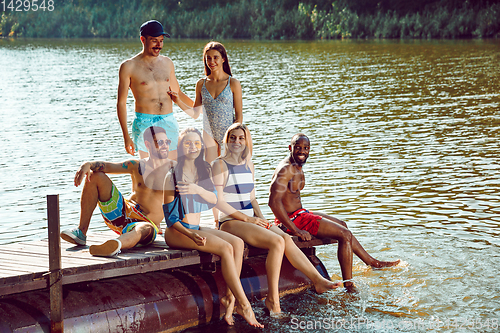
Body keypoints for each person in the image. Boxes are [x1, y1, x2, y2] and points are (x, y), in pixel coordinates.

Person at [212, 123, 341, 315]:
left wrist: (263, 220)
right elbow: (218, 201)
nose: (237, 142)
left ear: (246, 141)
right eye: (233, 138)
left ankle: (318, 280)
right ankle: (272, 300)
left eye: (241, 138)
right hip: (230, 222)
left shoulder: (248, 164)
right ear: (227, 141)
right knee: (276, 242)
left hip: (250, 219)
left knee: (285, 238)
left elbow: (252, 198)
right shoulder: (219, 164)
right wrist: (249, 220)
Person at [268, 133, 400, 292]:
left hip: (299, 213)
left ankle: (372, 263)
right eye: (298, 148)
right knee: (344, 234)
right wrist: (296, 230)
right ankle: (349, 286)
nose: (302, 151)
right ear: (290, 148)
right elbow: (273, 202)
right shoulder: (286, 169)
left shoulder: (296, 166)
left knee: (343, 226)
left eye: (306, 148)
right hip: (292, 219)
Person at [162, 127, 263, 328]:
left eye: (197, 143)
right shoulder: (171, 176)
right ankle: (244, 305)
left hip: (196, 227)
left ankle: (229, 299)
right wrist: (191, 234)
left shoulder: (203, 171)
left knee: (237, 243)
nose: (193, 147)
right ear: (181, 147)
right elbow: (171, 219)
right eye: (187, 143)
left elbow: (213, 200)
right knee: (226, 248)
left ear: (201, 146)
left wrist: (196, 189)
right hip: (177, 231)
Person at [60, 126, 175, 256]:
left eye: (167, 142)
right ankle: (81, 232)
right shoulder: (136, 165)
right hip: (122, 213)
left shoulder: (175, 170)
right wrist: (88, 164)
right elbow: (109, 166)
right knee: (95, 175)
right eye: (160, 142)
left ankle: (115, 245)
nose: (165, 145)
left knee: (144, 228)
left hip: (145, 223)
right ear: (147, 144)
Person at [117, 20, 196, 160]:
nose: (159, 45)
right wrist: (126, 137)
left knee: (172, 171)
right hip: (144, 123)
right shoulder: (128, 66)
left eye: (161, 41)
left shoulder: (167, 63)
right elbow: (121, 103)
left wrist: (197, 107)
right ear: (143, 39)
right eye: (154, 41)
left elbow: (178, 92)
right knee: (149, 173)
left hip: (168, 120)